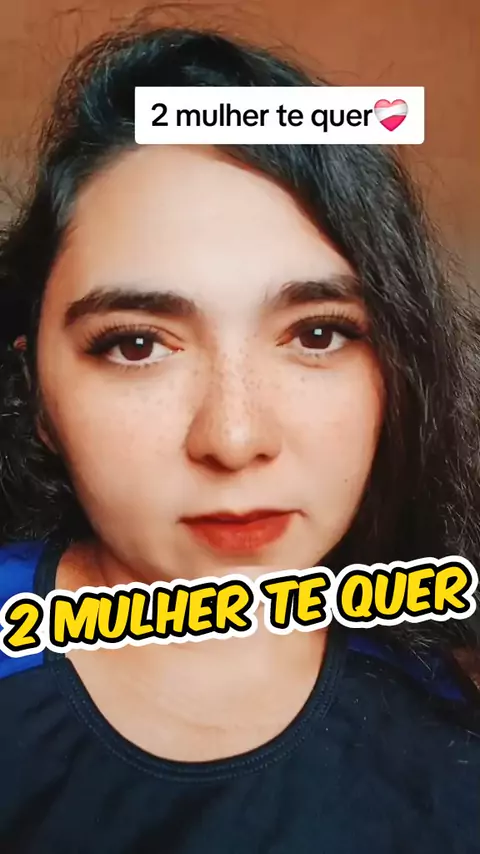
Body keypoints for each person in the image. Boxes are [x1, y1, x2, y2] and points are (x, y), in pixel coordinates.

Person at [0, 22, 479, 854]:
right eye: (136, 345)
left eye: (319, 334)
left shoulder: (443, 727)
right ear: (37, 391)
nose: (233, 438)